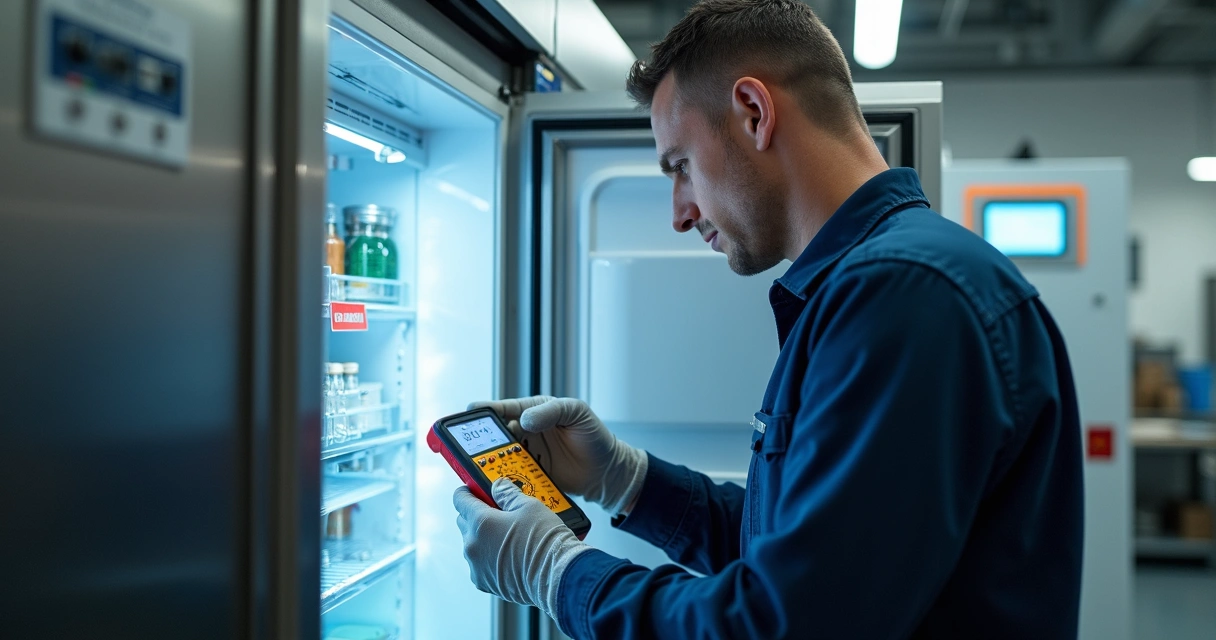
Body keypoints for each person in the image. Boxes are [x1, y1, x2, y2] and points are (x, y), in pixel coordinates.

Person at [452, 1, 1083, 638]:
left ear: (754, 112)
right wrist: (624, 480)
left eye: (679, 167)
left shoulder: (904, 294)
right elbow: (804, 557)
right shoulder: (884, 285)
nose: (679, 211)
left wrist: (557, 573)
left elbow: (786, 624)